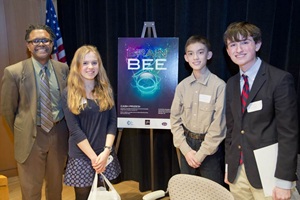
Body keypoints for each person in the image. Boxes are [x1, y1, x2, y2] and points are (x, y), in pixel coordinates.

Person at [223, 21, 299, 200]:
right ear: (227, 51)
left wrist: (284, 181)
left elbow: (288, 134)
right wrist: (229, 166)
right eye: (233, 45)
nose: (238, 49)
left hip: (270, 173)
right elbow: (232, 130)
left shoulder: (279, 80)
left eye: (244, 42)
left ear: (257, 44)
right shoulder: (232, 83)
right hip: (238, 173)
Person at [1, 24, 69, 200]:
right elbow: (8, 110)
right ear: (28, 45)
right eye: (36, 41)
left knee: (56, 188)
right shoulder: (13, 72)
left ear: (52, 44)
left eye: (45, 40)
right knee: (31, 190)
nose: (41, 44)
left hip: (58, 134)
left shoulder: (63, 69)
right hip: (31, 138)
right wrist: (24, 127)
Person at [62, 45, 121, 200]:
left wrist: (106, 151)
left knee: (104, 195)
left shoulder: (106, 90)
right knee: (83, 196)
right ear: (77, 66)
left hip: (105, 154)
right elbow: (75, 130)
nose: (90, 67)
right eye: (85, 63)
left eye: (94, 63)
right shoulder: (69, 93)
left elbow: (112, 122)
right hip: (82, 156)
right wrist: (94, 159)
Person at [170, 35, 226, 185]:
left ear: (209, 55)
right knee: (187, 190)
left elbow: (219, 125)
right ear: (186, 58)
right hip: (187, 146)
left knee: (212, 192)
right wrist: (186, 150)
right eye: (191, 53)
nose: (195, 57)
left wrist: (200, 154)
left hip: (209, 149)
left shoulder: (219, 86)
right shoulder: (182, 86)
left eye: (200, 52)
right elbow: (174, 120)